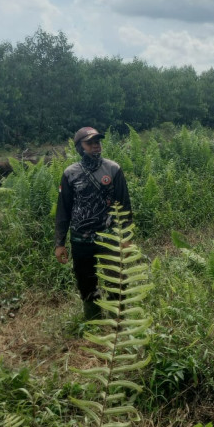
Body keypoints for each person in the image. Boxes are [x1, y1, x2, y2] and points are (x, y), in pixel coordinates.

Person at [54, 127, 133, 320]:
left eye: (97, 142)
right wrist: (60, 243)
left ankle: (118, 323)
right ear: (80, 147)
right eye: (90, 143)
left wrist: (127, 238)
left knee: (117, 278)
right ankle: (93, 321)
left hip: (110, 236)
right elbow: (63, 210)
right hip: (81, 239)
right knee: (86, 281)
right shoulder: (70, 174)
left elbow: (124, 206)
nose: (96, 146)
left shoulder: (113, 169)